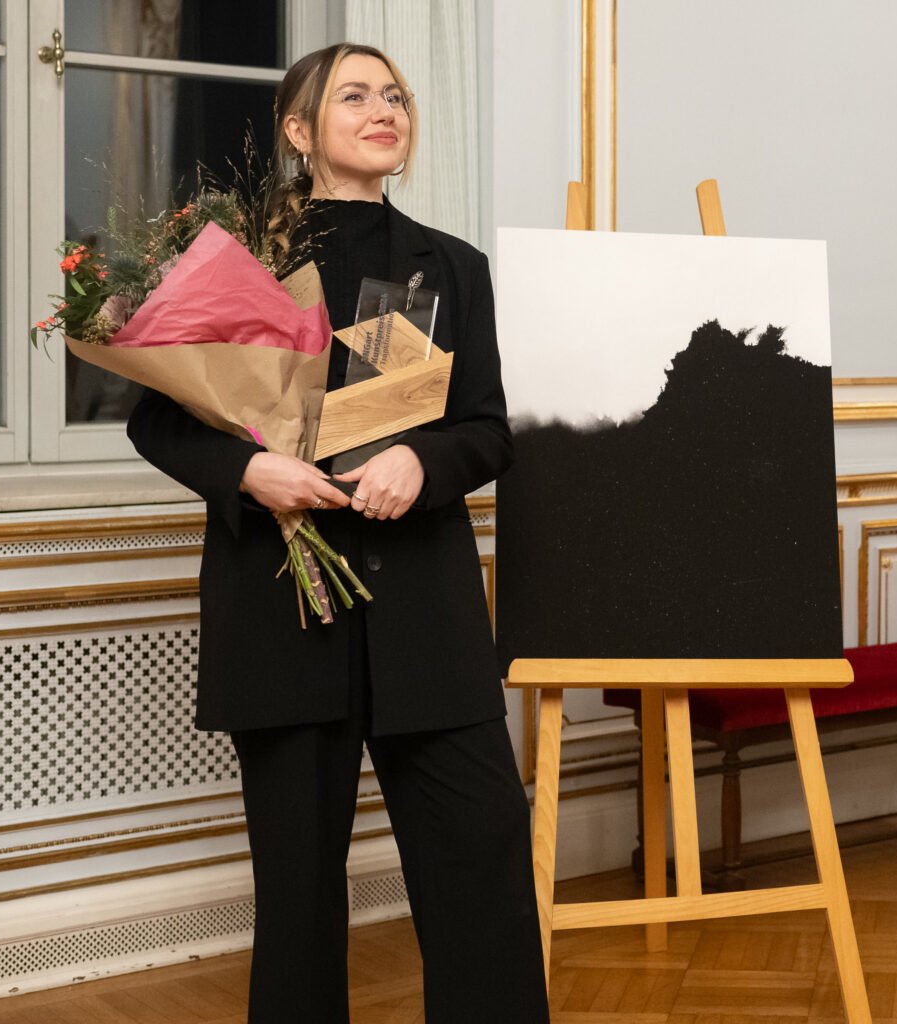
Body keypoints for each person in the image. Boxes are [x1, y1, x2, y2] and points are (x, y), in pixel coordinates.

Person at [127, 43, 549, 1023]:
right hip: (283, 612)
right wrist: (249, 471)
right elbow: (158, 419)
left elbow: (486, 429)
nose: (383, 109)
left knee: (481, 862)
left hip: (426, 614)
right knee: (299, 897)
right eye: (354, 95)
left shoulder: (452, 266)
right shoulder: (239, 259)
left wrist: (423, 463)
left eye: (393, 94)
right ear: (299, 130)